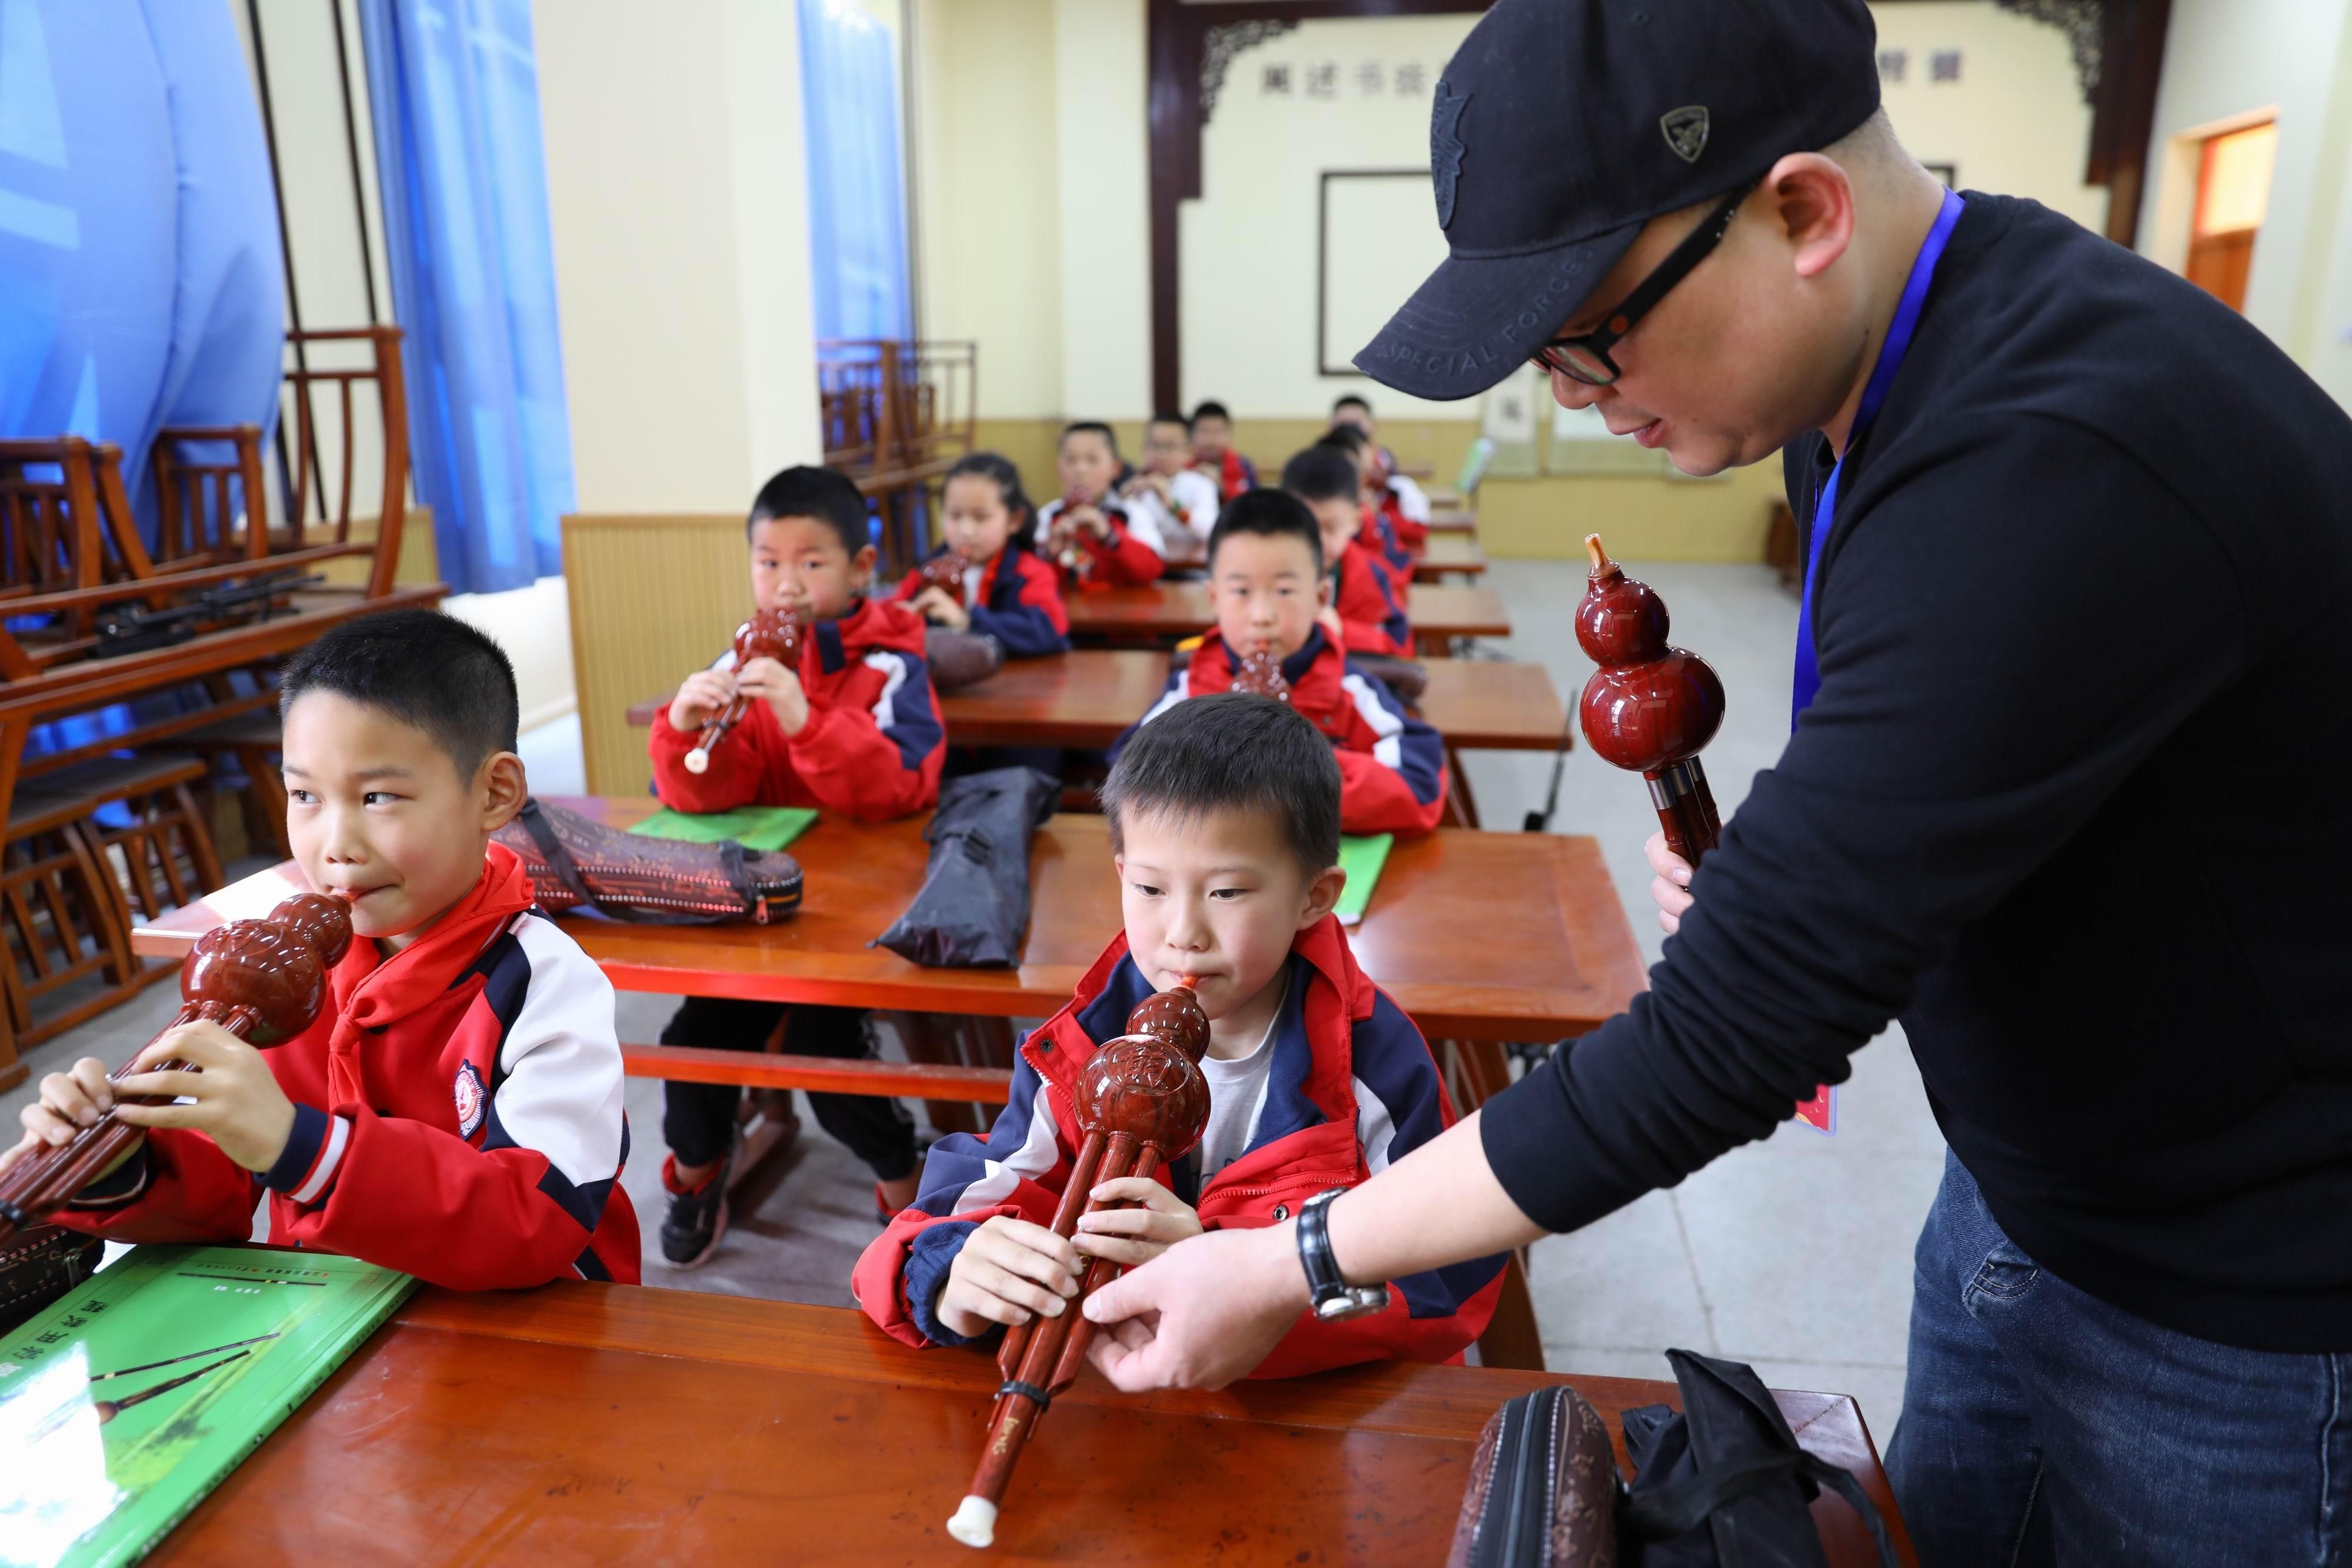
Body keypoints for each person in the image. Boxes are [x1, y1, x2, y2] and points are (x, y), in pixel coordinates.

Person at [1077, 0, 2352, 1561]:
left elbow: (1722, 1041)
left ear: (1800, 210)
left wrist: (1287, 1258)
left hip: (2245, 1295)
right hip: (2028, 1191)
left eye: (1585, 338)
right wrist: (1817, 862)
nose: (1569, 394)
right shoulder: (1877, 380)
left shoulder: (2050, 452)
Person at [852, 692, 1500, 1371]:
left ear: (1315, 895)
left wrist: (1245, 1276)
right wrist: (950, 1270)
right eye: (1151, 889)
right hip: (1132, 1400)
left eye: (1226, 892)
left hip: (1313, 1404)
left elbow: (1445, 1279)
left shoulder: (1374, 1057)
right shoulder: (1086, 1039)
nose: (1183, 934)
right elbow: (971, 1197)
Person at [6, 611, 640, 1288]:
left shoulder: (547, 983)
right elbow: (218, 1183)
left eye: (378, 796)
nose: (335, 843)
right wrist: (121, 1161)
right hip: (332, 1323)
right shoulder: (290, 974)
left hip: (525, 1336)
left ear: (494, 792)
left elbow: (532, 1224)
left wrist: (301, 1144)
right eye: (304, 794)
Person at [649, 464, 943, 1265]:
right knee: (690, 1045)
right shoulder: (737, 652)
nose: (785, 583)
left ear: (861, 567)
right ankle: (697, 1172)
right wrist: (684, 731)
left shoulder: (892, 666)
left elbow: (897, 786)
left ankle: (897, 1174)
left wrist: (806, 719)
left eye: (810, 563)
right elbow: (706, 794)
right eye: (767, 562)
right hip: (760, 906)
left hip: (856, 915)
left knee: (832, 1070)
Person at [1113, 490, 1445, 838]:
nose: (1262, 616)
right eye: (1241, 592)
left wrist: (1293, 773)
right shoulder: (1191, 687)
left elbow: (1419, 787)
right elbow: (1128, 775)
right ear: (1214, 599)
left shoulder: (1352, 690)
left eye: (1284, 591)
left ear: (1320, 597)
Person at [895, 451, 1070, 658]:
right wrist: (903, 617)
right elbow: (891, 611)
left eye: (980, 518)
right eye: (955, 515)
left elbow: (1050, 631)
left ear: (1014, 521)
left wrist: (967, 621)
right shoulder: (927, 571)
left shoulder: (1029, 572)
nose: (966, 530)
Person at [1282, 445, 1412, 658]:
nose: (1319, 541)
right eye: (1306, 526)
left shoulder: (1376, 575)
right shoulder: (1264, 573)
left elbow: (1401, 648)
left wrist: (1341, 630)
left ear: (1356, 521)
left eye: (1331, 528)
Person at [1031, 422, 1166, 590]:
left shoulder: (1132, 512)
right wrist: (1049, 552)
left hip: (1125, 612)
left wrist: (1109, 535)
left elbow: (1153, 570)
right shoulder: (1048, 515)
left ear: (1115, 468)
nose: (1080, 470)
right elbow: (1028, 577)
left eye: (1092, 460)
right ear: (1058, 467)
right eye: (1070, 460)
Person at [1120, 411, 1222, 570]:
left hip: (1194, 570)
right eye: (1154, 446)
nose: (1160, 454)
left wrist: (1169, 501)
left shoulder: (1201, 485)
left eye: (1170, 447)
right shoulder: (1136, 486)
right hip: (1148, 569)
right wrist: (1123, 501)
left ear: (1189, 452)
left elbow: (1210, 530)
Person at [1316, 425, 1413, 575]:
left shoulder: (1371, 518)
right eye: (1363, 473)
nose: (1367, 481)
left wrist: (1375, 519)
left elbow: (1398, 567)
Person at [1330, 393, 1432, 535]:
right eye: (1343, 424)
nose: (1350, 431)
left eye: (1356, 424)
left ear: (1373, 426)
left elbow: (1418, 530)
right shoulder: (1319, 476)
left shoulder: (1397, 483)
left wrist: (1376, 516)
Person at [1187, 399, 1257, 499]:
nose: (1211, 439)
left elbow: (1252, 502)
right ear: (1192, 435)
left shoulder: (1243, 465)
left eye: (1218, 431)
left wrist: (1221, 485)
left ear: (1229, 435)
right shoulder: (1184, 466)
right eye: (1204, 431)